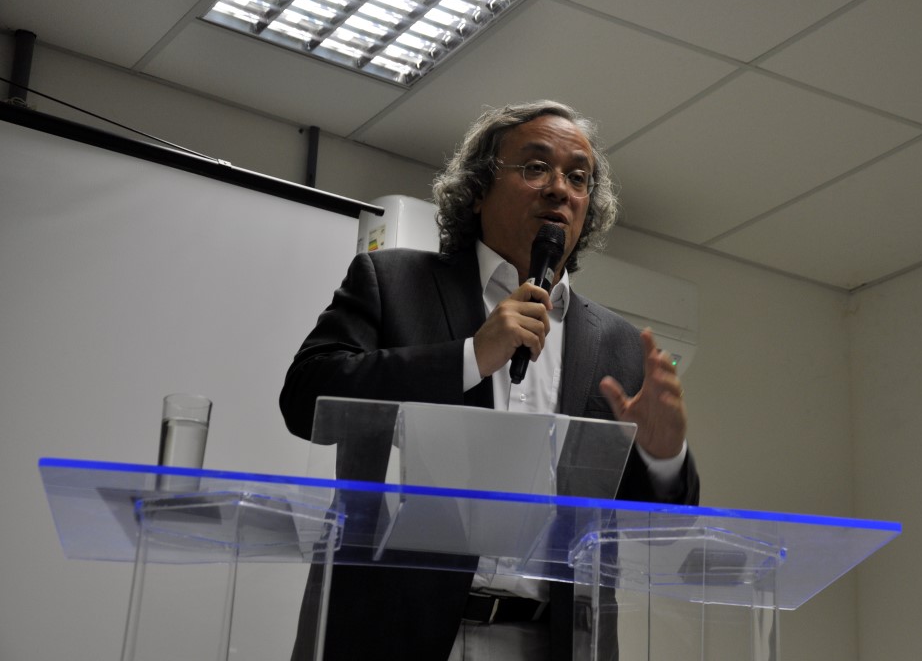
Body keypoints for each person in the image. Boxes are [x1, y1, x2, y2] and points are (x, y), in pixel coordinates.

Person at [279, 100, 699, 660]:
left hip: (553, 642)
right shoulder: (393, 282)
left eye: (578, 178)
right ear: (478, 189)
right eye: (536, 167)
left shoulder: (618, 343)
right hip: (396, 635)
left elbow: (657, 530)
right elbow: (305, 398)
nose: (560, 189)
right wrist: (470, 357)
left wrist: (664, 457)